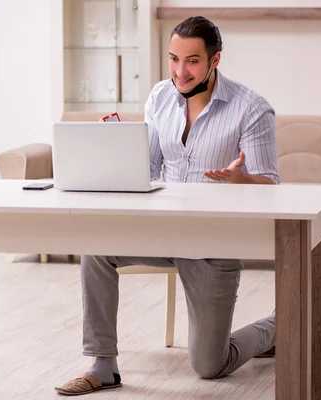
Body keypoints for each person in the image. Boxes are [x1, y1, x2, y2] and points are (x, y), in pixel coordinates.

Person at [54, 16, 279, 396]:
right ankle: (103, 365)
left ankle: (278, 325)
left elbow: (271, 186)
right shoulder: (160, 96)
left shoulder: (252, 108)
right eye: (174, 58)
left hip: (214, 244)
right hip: (161, 230)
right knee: (96, 246)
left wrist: (244, 181)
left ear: (215, 60)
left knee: (211, 366)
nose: (180, 70)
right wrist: (116, 154)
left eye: (192, 60)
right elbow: (148, 169)